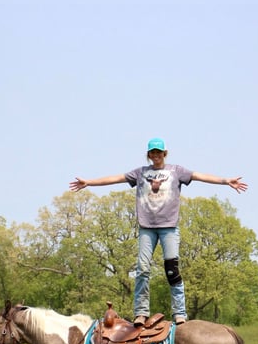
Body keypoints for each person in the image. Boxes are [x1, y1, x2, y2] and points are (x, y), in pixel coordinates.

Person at [69, 138, 248, 326]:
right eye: (152, 153)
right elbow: (116, 178)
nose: (156, 156)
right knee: (142, 269)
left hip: (168, 227)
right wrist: (88, 182)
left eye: (159, 152)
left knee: (172, 270)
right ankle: (141, 312)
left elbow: (199, 176)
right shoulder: (140, 173)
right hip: (147, 228)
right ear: (149, 155)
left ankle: (179, 313)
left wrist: (225, 181)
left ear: (165, 153)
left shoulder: (176, 171)